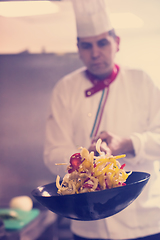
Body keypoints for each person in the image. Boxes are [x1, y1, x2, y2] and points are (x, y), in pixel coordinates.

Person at [44, 0, 160, 239]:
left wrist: (128, 143)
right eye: (86, 45)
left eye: (102, 43)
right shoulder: (65, 89)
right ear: (78, 48)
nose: (95, 53)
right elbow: (52, 151)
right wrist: (82, 160)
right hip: (87, 225)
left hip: (143, 222)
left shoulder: (142, 81)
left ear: (116, 43)